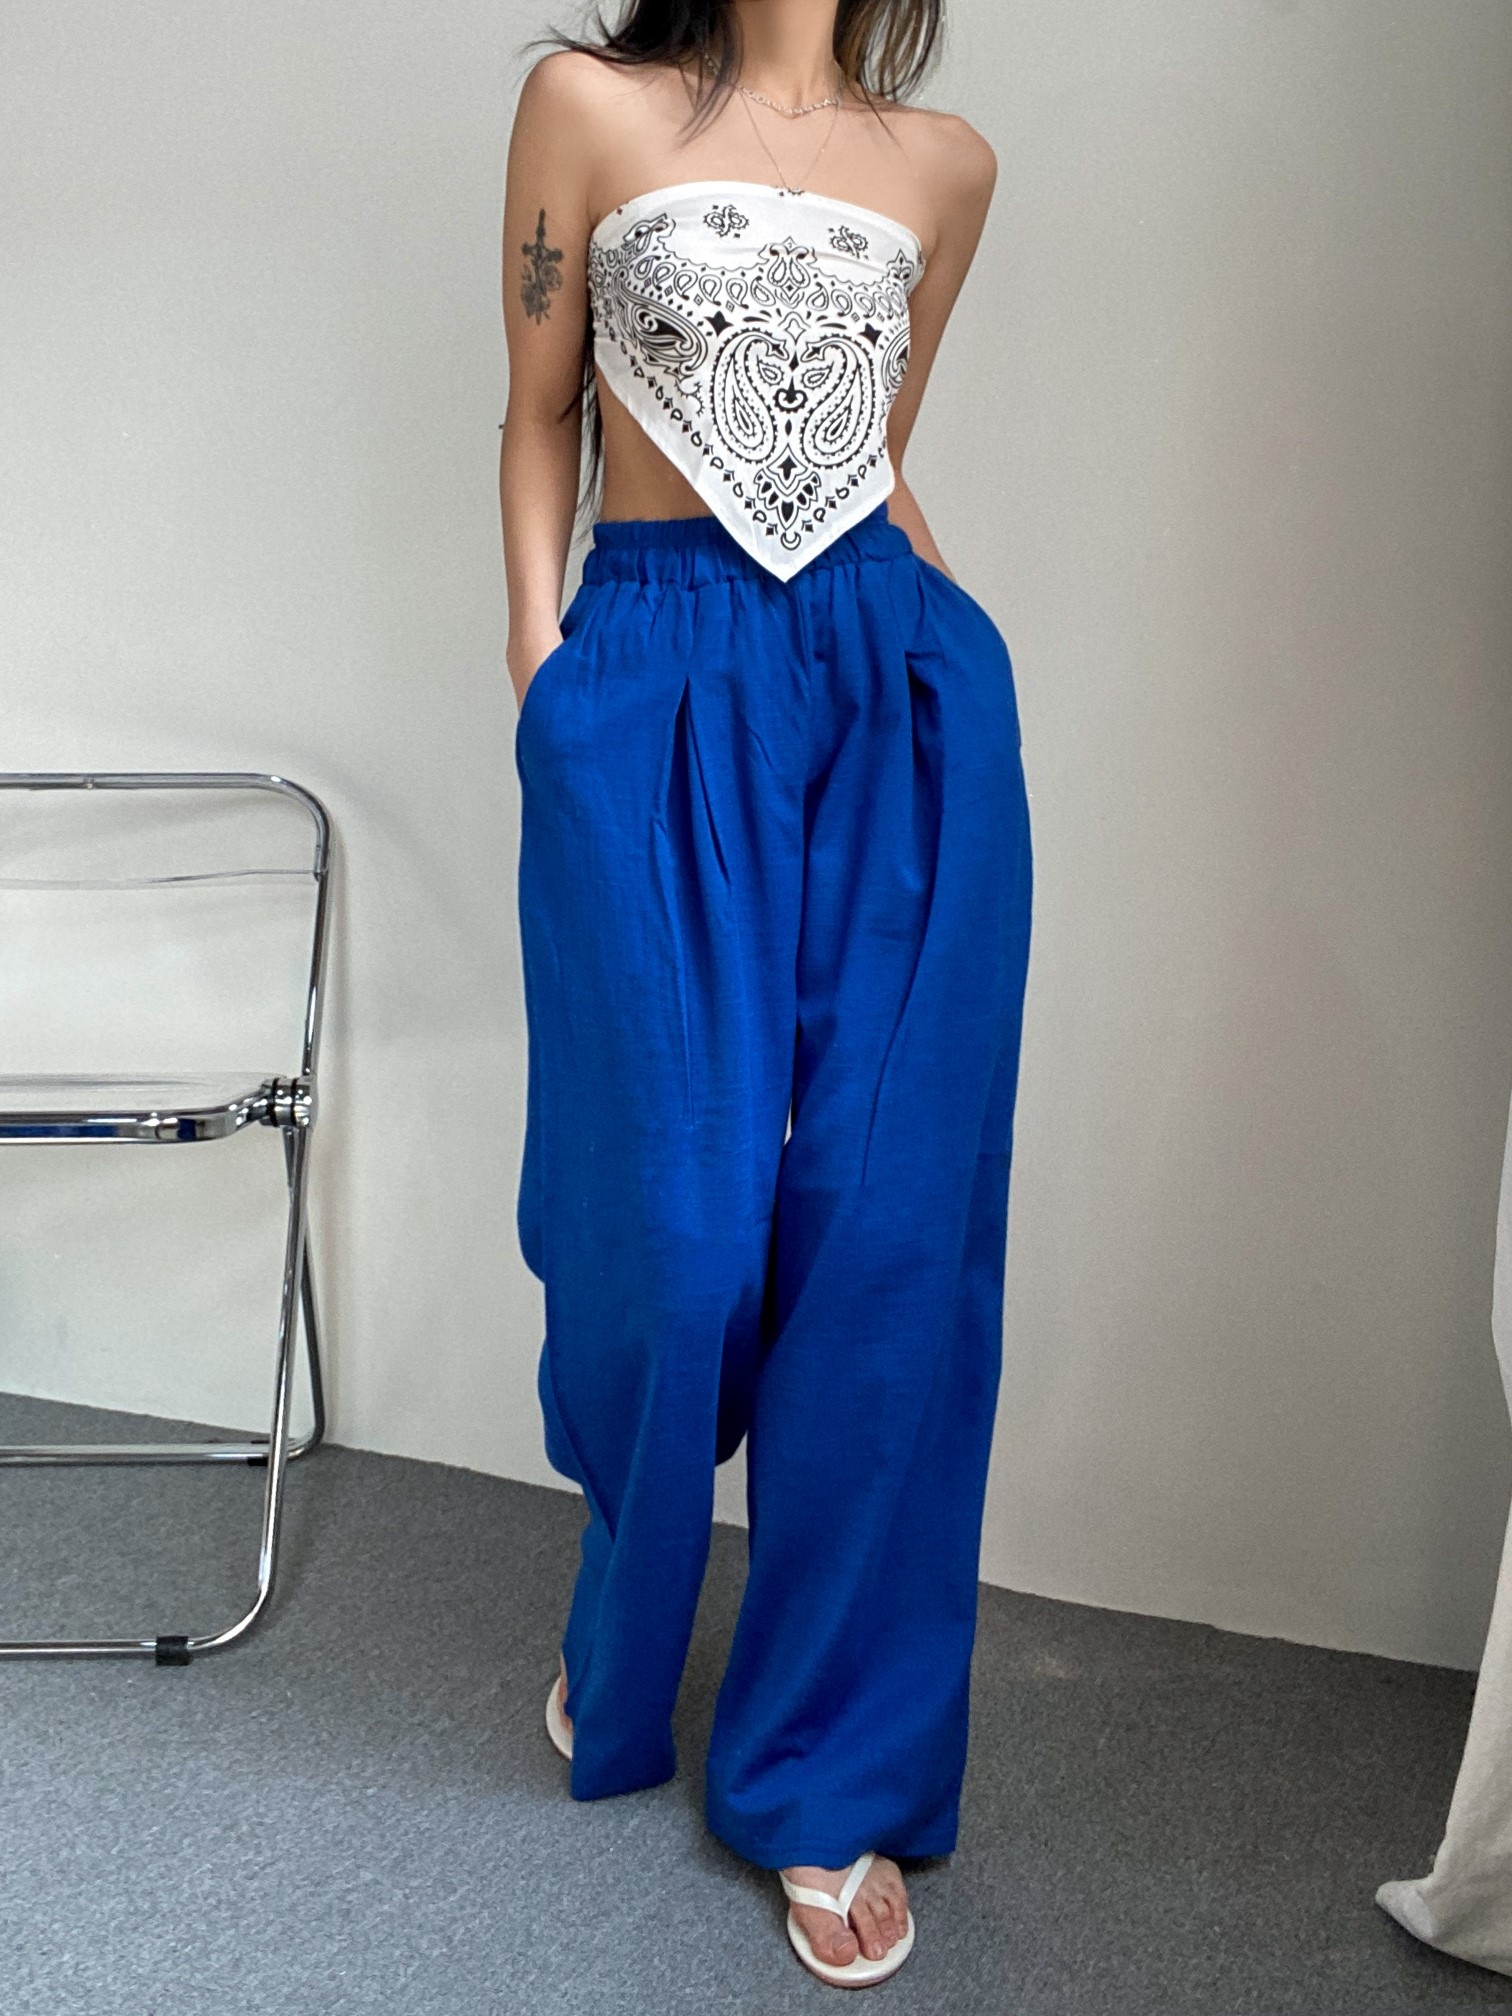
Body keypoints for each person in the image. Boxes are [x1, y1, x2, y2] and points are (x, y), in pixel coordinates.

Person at [499, 0, 1032, 1988]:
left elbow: (878, 458)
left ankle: (827, 1768)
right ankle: (628, 1606)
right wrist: (545, 683)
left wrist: (954, 667)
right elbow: (534, 414)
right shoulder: (585, 104)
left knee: (889, 1246)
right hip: (653, 669)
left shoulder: (947, 165)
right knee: (677, 1231)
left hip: (894, 682)